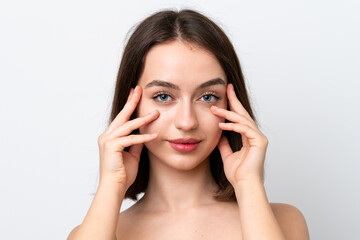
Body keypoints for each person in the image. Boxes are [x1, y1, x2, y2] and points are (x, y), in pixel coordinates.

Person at [67, 9, 309, 240]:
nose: (187, 122)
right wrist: (111, 183)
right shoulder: (97, 231)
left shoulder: (284, 222)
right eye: (163, 96)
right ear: (132, 104)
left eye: (207, 97)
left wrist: (248, 184)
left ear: (232, 106)